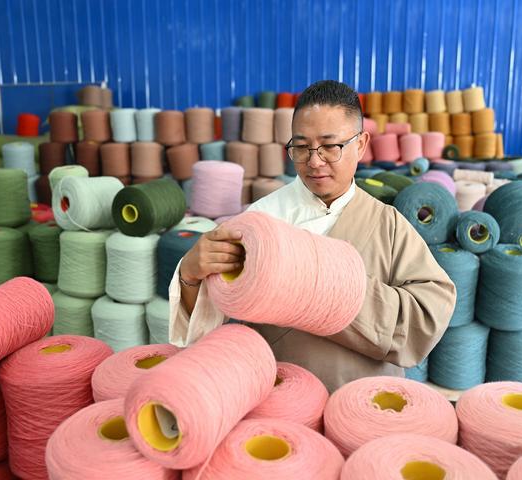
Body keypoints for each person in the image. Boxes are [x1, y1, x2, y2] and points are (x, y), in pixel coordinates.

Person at [169, 80, 456, 392]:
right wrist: (189, 276)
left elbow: (427, 316)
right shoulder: (258, 222)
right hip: (281, 400)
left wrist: (315, 285)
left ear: (361, 144)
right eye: (302, 147)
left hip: (363, 403)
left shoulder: (389, 224)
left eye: (330, 146)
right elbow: (206, 328)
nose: (314, 161)